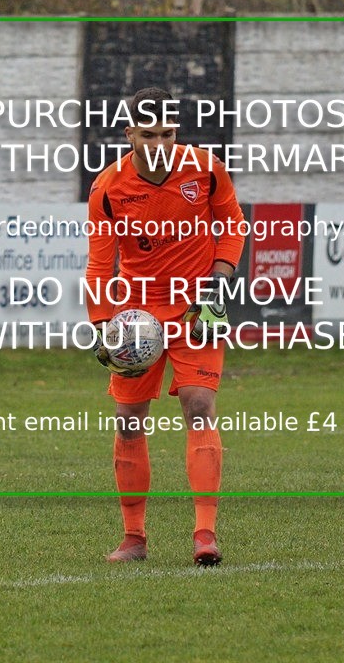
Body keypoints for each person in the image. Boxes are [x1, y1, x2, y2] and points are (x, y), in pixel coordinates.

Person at [85, 87, 245, 566]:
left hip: (196, 309)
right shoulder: (108, 187)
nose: (160, 143)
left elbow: (233, 224)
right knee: (128, 422)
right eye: (149, 134)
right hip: (136, 318)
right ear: (129, 133)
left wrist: (218, 281)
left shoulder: (207, 170)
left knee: (199, 406)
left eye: (169, 134)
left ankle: (205, 535)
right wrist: (100, 325)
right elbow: (99, 263)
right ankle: (134, 538)